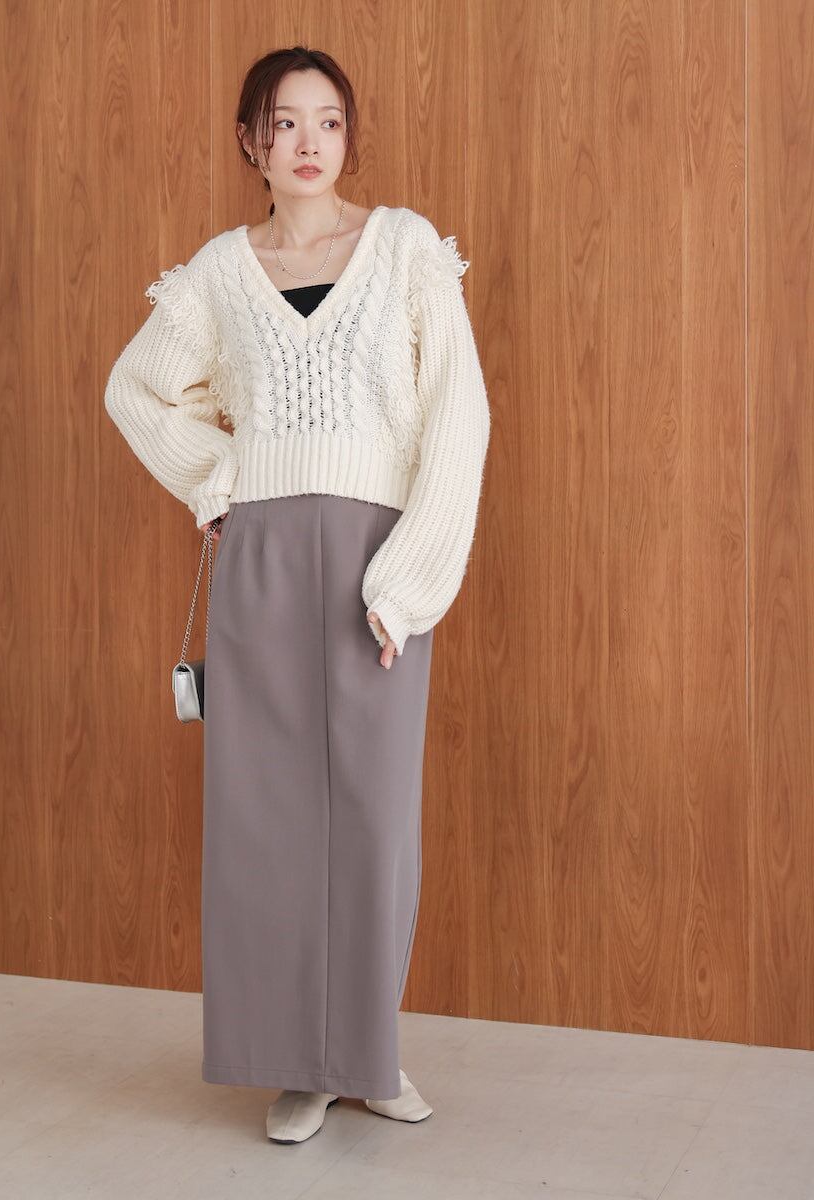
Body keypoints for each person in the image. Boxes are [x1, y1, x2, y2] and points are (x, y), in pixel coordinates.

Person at [103, 45, 491, 1144]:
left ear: (348, 137)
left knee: (372, 819)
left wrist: (408, 584)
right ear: (251, 142)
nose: (308, 142)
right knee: (266, 817)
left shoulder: (405, 249)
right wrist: (221, 478)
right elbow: (136, 391)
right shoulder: (219, 274)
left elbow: (457, 417)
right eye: (285, 122)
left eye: (327, 121)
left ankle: (368, 1054)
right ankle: (298, 1067)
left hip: (376, 561)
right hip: (264, 558)